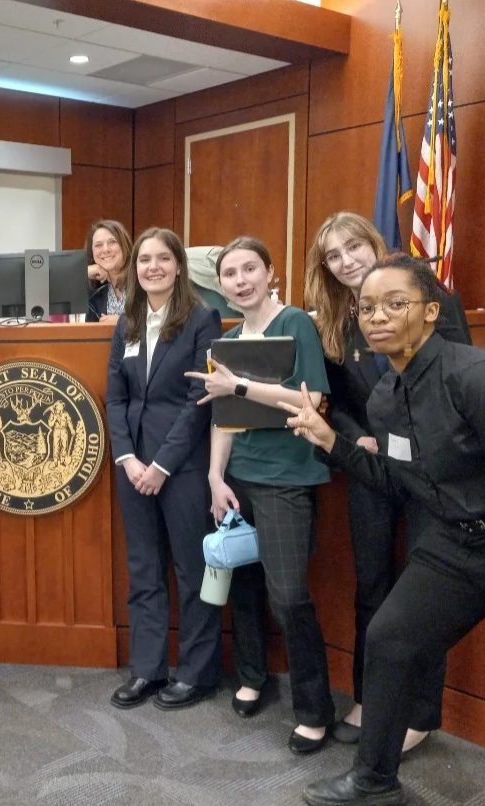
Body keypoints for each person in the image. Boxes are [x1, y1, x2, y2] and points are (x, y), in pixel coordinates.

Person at [284, 254, 485, 805]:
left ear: (429, 312)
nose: (377, 317)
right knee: (391, 638)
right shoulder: (386, 398)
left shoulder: (481, 379)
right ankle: (374, 780)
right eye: (367, 307)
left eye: (395, 304)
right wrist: (332, 442)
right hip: (455, 544)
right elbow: (399, 482)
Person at [305, 211, 470, 751]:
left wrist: (400, 431)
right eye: (334, 255)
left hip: (430, 468)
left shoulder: (420, 291)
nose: (347, 260)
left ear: (374, 244)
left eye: (354, 246)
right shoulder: (333, 316)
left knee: (424, 591)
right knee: (372, 585)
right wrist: (358, 438)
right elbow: (340, 400)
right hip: (370, 469)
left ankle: (420, 714)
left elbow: (457, 370)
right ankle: (369, 697)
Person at [185, 236, 335, 753]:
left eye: (250, 269)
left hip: (287, 479)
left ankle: (315, 710)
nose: (241, 280)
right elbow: (221, 416)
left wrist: (241, 387)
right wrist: (214, 476)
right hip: (237, 479)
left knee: (288, 596)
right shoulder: (225, 340)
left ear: (271, 272)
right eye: (230, 273)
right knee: (240, 585)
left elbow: (309, 401)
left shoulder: (296, 324)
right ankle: (254, 675)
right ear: (220, 285)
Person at [105, 227, 223, 711]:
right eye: (144, 260)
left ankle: (196, 673)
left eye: (162, 258)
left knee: (192, 571)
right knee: (144, 569)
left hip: (183, 466)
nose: (152, 267)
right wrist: (128, 458)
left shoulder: (202, 319)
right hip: (132, 466)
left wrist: (161, 465)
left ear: (178, 265)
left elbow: (200, 400)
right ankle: (148, 670)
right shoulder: (127, 321)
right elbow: (115, 396)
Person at [85, 220, 133, 323]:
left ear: (124, 245)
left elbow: (160, 319)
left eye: (112, 242)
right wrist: (84, 272)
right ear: (92, 252)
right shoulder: (94, 290)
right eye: (98, 245)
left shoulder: (141, 280)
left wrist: (122, 322)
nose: (105, 249)